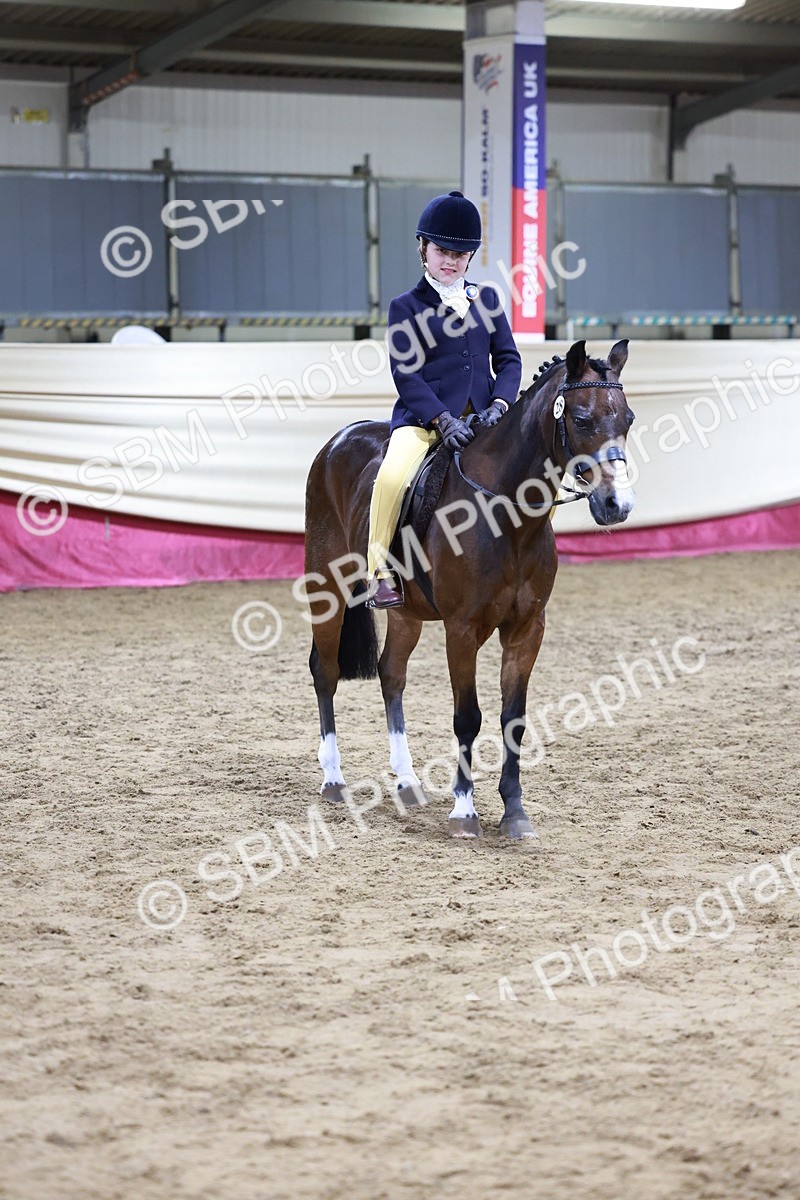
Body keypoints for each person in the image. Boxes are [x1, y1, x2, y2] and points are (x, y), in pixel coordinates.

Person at [366, 190, 522, 608]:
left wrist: (500, 405)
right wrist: (441, 420)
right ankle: (380, 571)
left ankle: (527, 560)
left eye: (459, 253)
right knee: (393, 477)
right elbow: (406, 372)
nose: (449, 261)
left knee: (535, 471)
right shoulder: (406, 306)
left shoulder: (486, 299)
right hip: (424, 423)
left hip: (485, 422)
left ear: (470, 256)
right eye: (441, 251)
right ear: (424, 249)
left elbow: (508, 359)